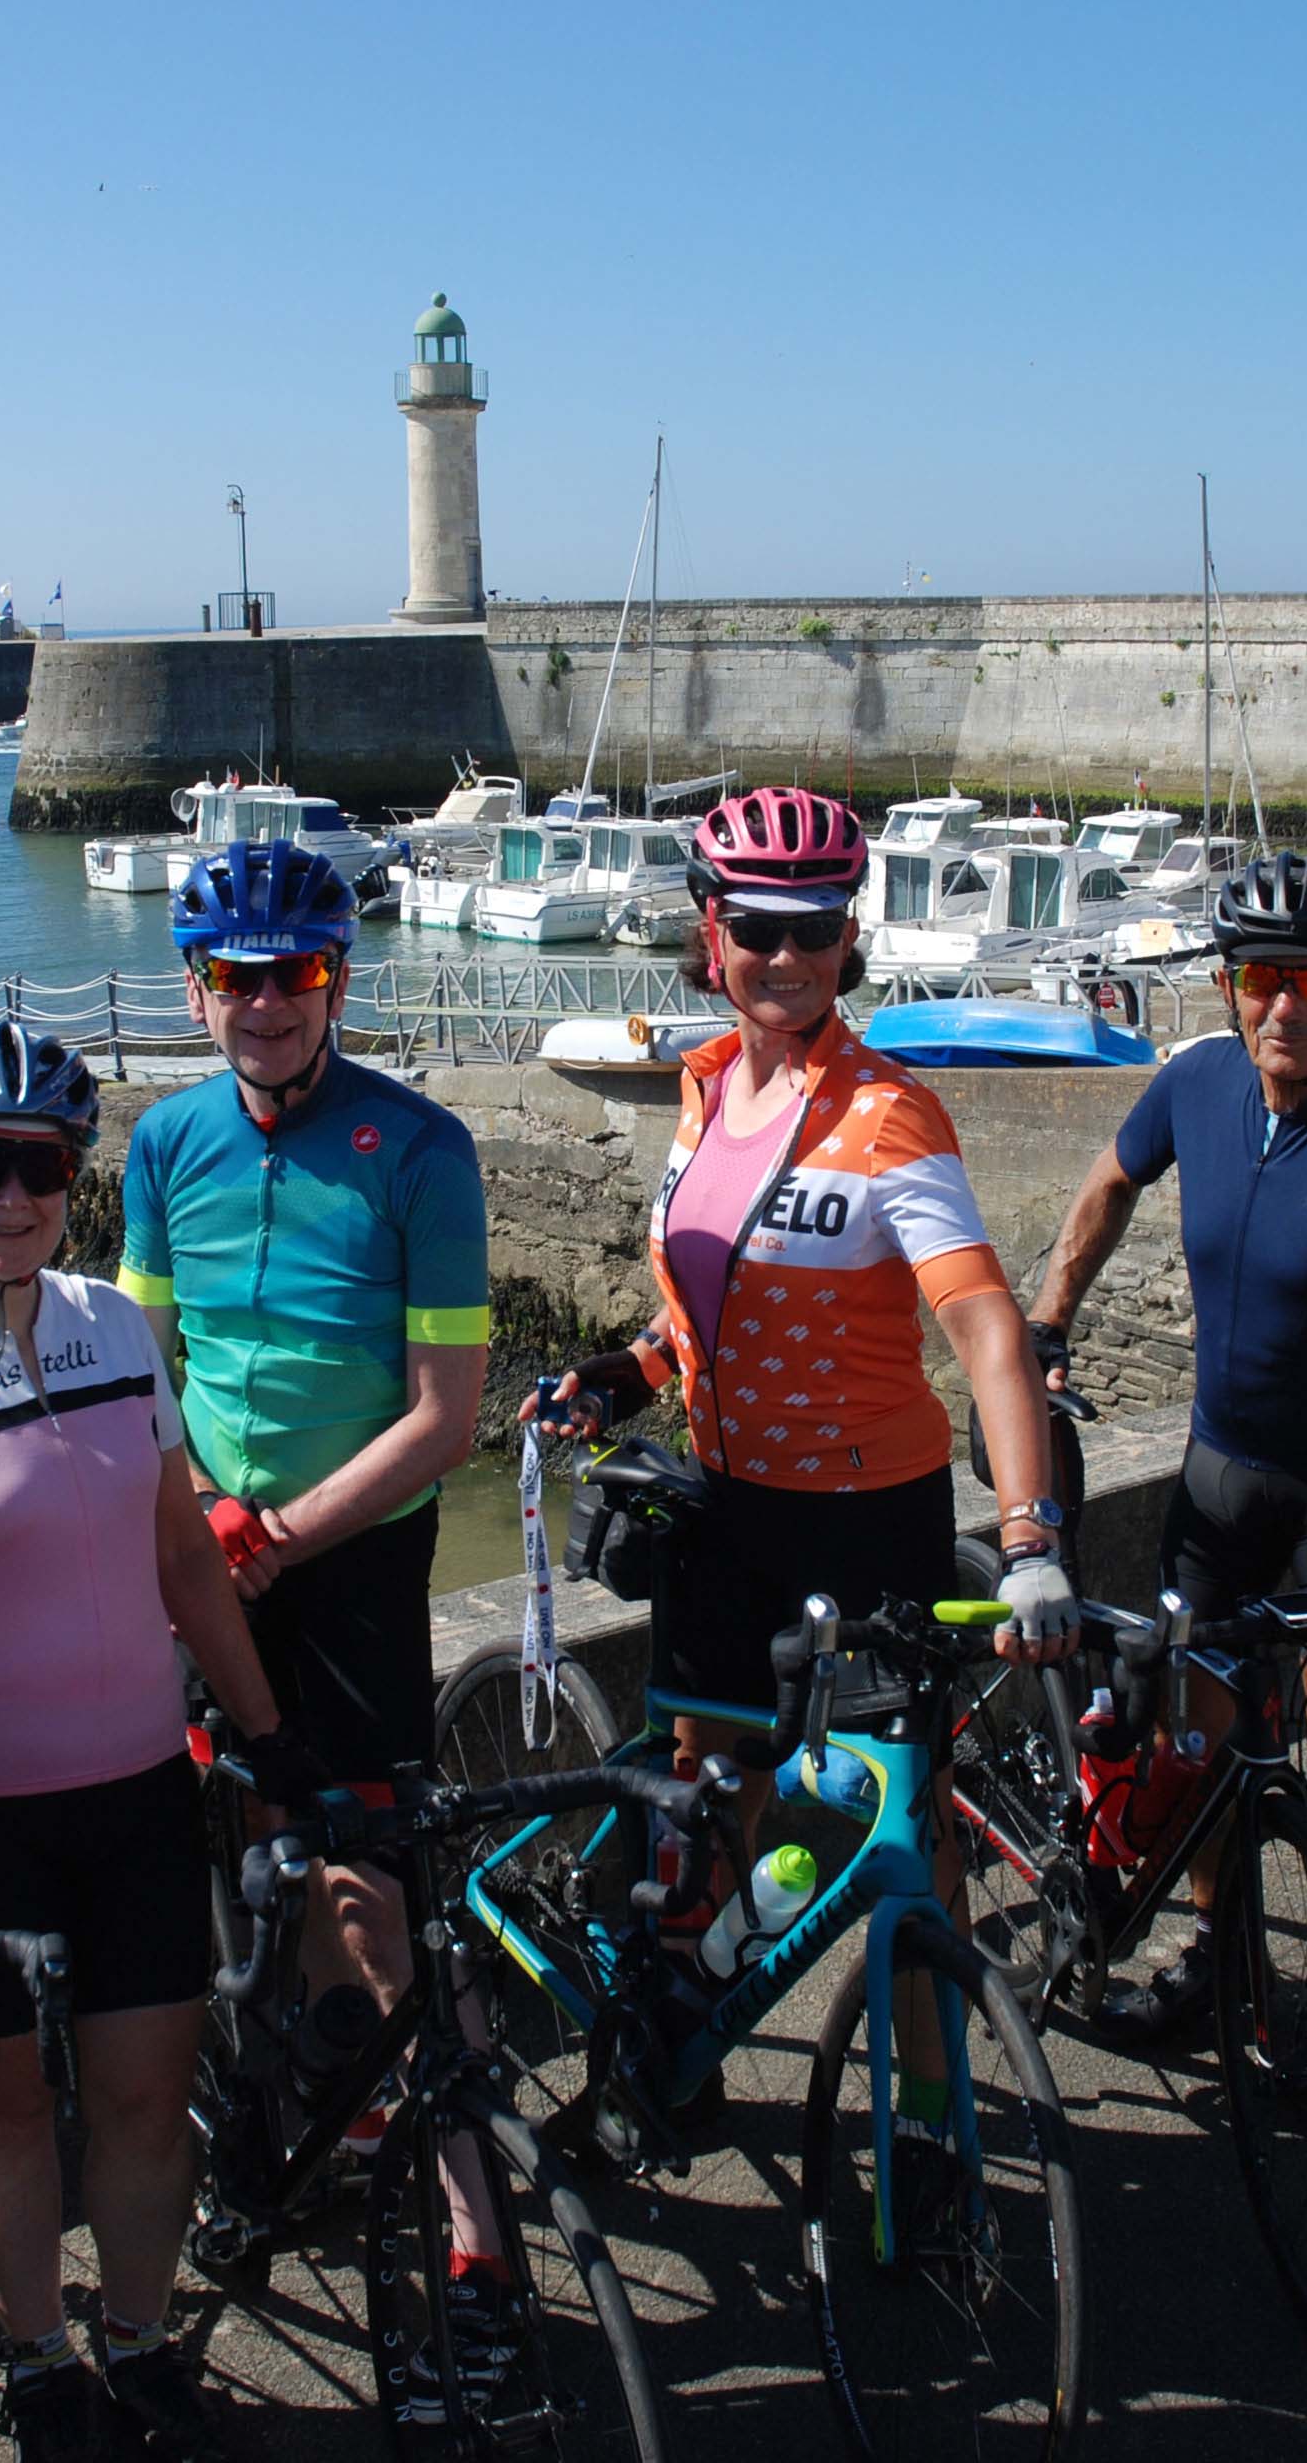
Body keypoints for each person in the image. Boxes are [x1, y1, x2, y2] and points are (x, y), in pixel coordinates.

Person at [0, 1023, 307, 2460]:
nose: (10, 1198)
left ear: (74, 1180)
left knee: (148, 2097)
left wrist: (262, 1731)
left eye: (41, 1167)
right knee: (2, 2105)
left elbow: (181, 1554)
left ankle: (137, 2338)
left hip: (139, 1783)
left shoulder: (111, 1327)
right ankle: (35, 2351)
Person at [528, 785, 1073, 1948]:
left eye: (815, 929)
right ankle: (686, 2010)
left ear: (849, 940)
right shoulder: (705, 1084)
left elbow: (982, 1324)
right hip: (723, 1507)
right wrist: (629, 1371)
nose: (786, 955)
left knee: (907, 1825)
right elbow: (714, 1312)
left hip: (868, 1519)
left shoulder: (892, 1116)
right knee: (702, 1791)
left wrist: (1028, 1538)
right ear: (708, 929)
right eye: (757, 927)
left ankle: (926, 2117)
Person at [1023, 851, 1307, 2042]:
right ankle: (1216, 1955)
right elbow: (1106, 1188)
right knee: (1201, 1741)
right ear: (1225, 984)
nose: (1281, 1007)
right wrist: (1046, 1321)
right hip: (1215, 1478)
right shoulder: (1195, 1084)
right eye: (1259, 977)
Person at [119, 840, 488, 2100]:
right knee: (246, 1821)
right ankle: (314, 2095)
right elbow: (140, 1367)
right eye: (235, 975)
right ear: (192, 987)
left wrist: (270, 1536)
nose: (264, 1003)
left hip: (356, 1554)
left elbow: (445, 1422)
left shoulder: (424, 1151)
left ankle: (450, 2171)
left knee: (366, 1869)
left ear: (338, 982)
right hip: (209, 1536)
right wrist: (203, 1515)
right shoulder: (164, 1143)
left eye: (298, 973)